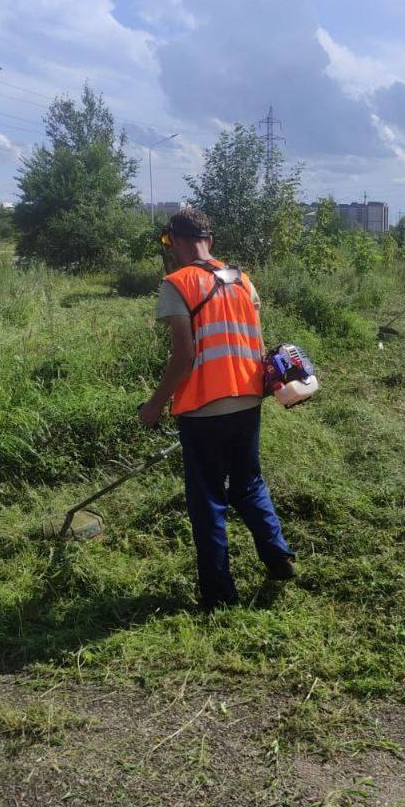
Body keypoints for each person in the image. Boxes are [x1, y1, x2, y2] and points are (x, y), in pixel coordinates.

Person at [138, 207, 295, 610]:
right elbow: (254, 340)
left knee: (207, 499)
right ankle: (278, 557)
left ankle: (219, 595)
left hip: (203, 408)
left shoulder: (177, 283)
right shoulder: (241, 278)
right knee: (248, 483)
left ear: (175, 239)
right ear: (209, 238)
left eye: (166, 242)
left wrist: (155, 405)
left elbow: (184, 356)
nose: (167, 250)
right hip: (247, 400)